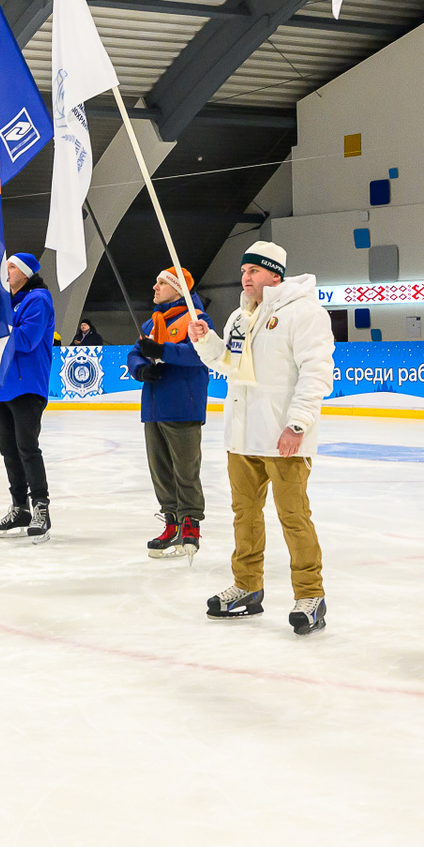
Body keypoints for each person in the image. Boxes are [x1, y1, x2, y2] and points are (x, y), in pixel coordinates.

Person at [188, 240, 335, 635]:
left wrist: (298, 424)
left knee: (294, 517)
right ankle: (247, 587)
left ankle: (311, 596)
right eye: (242, 271)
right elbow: (229, 365)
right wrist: (205, 341)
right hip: (242, 437)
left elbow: (317, 371)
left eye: (253, 270)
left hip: (284, 438)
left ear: (274, 273)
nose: (245, 277)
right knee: (245, 516)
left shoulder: (304, 313)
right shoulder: (240, 317)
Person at [126, 267, 211, 561]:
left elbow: (199, 353)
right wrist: (141, 369)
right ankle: (171, 521)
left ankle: (190, 524)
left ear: (177, 289)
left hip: (183, 404)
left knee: (185, 470)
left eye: (161, 282)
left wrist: (162, 350)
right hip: (154, 406)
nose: (155, 287)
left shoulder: (197, 320)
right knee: (160, 471)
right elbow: (135, 353)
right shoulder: (151, 322)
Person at [0, 253, 56, 544]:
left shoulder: (38, 299)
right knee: (9, 449)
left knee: (27, 446)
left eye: (12, 266)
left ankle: (40, 507)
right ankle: (19, 507)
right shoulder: (5, 302)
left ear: (25, 273)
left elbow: (26, 340)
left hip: (25, 384)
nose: (6, 270)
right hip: (1, 384)